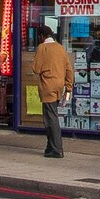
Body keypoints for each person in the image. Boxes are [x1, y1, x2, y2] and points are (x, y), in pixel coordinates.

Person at [33, 26, 72, 159]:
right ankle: (50, 147)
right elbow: (69, 70)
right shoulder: (60, 48)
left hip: (47, 86)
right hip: (59, 86)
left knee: (50, 119)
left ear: (42, 36)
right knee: (51, 116)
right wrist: (69, 88)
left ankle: (57, 148)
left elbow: (36, 69)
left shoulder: (42, 48)